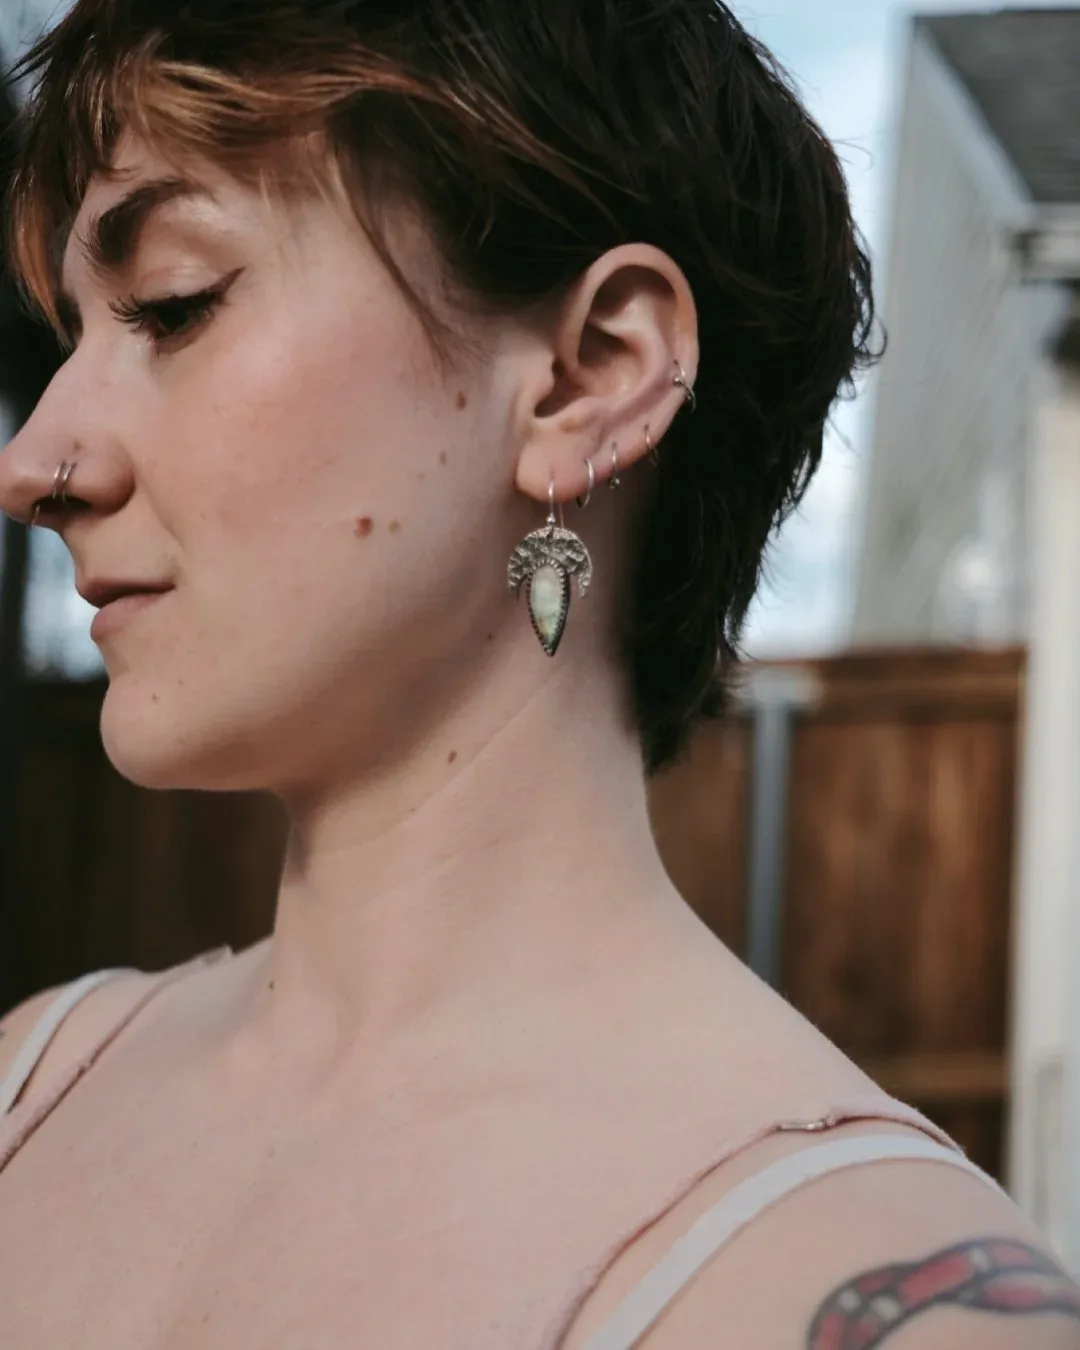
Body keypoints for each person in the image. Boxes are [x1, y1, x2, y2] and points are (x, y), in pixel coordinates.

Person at [0, 2, 1076, 1347]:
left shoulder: (892, 1304)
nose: (36, 460)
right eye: (70, 342)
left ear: (591, 377)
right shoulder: (33, 1086)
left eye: (173, 303)